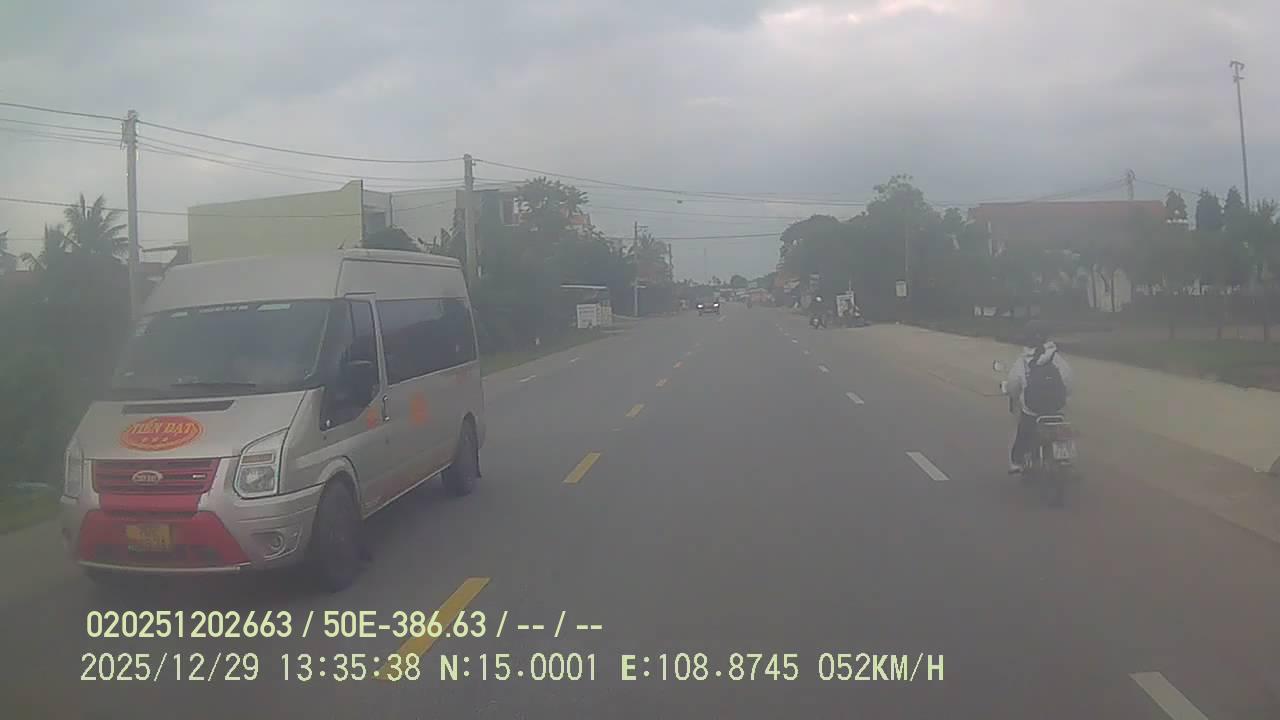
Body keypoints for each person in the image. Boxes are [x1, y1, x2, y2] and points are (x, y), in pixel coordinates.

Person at [1004, 321, 1072, 473]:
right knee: (1062, 430)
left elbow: (1013, 385)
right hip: (1056, 409)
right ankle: (1064, 457)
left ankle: (1017, 462)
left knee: (1023, 433)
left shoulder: (1023, 361)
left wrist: (1013, 396)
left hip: (1032, 411)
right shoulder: (1057, 358)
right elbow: (1069, 382)